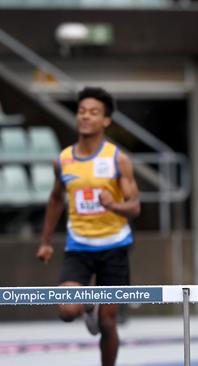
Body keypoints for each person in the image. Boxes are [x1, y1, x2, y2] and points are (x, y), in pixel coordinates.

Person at [36, 87, 141, 366]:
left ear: (106, 120)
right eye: (82, 111)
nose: (86, 117)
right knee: (67, 310)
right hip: (79, 246)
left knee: (108, 323)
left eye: (94, 112)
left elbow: (135, 207)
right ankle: (88, 304)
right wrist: (45, 241)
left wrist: (114, 206)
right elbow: (56, 198)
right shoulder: (64, 159)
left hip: (114, 247)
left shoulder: (117, 159)